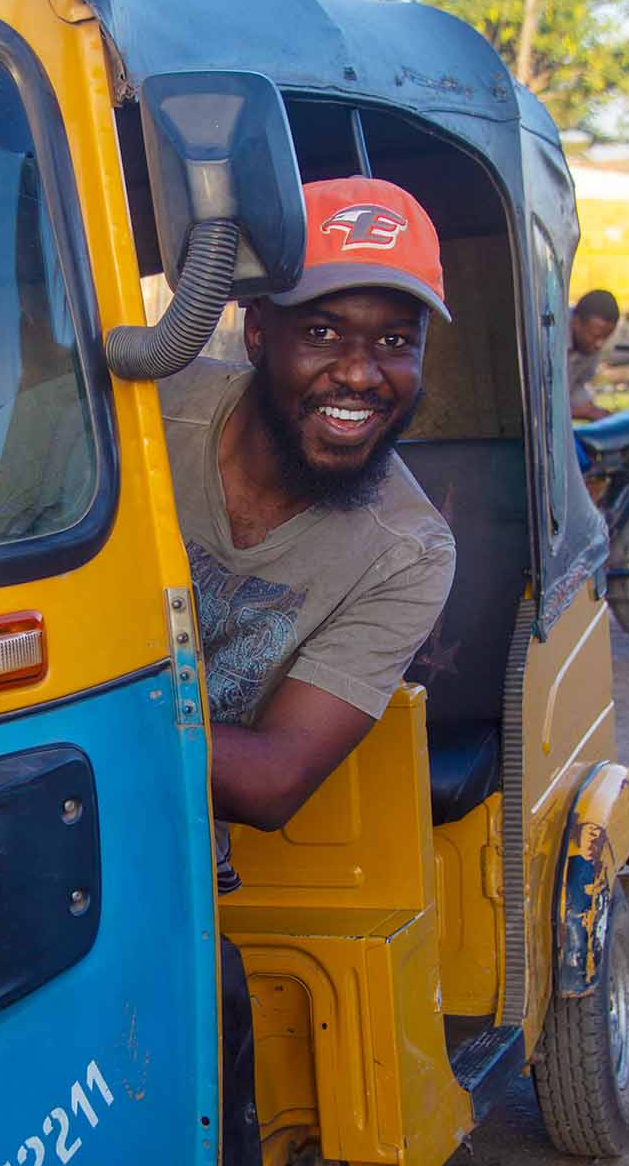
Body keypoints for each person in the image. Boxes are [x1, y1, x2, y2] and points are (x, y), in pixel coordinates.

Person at [159, 176, 457, 894]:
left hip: (171, 849)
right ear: (258, 330)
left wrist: (45, 725)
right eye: (321, 332)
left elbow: (272, 779)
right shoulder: (141, 418)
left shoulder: (407, 551)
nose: (359, 373)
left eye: (393, 340)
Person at [568, 289, 620, 422]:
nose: (599, 344)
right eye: (596, 336)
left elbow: (575, 385)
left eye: (606, 337)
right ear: (576, 321)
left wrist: (592, 410)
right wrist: (580, 412)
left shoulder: (589, 346)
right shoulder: (547, 341)